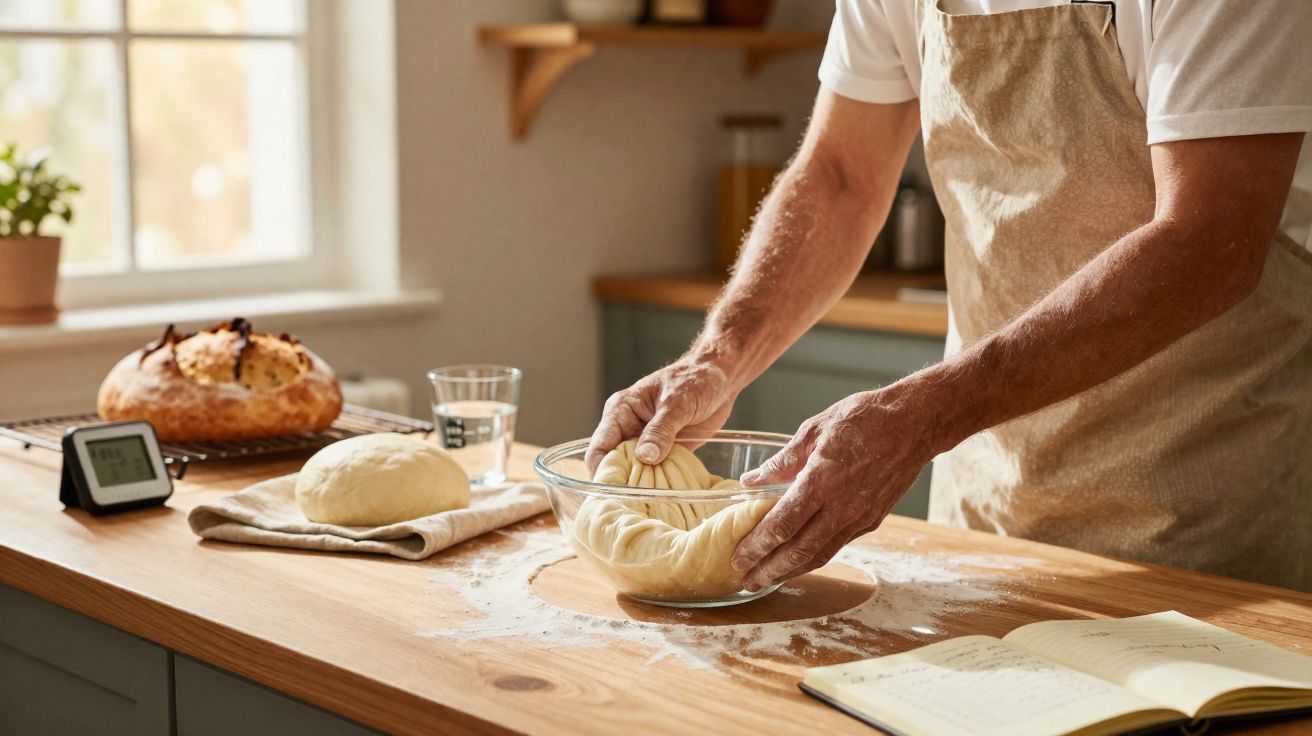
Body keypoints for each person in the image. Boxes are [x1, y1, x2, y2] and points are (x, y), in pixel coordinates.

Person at [587, 0, 1312, 592]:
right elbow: (841, 175)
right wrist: (719, 357)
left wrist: (922, 413)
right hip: (983, 498)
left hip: (1203, 509)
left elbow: (1210, 241)